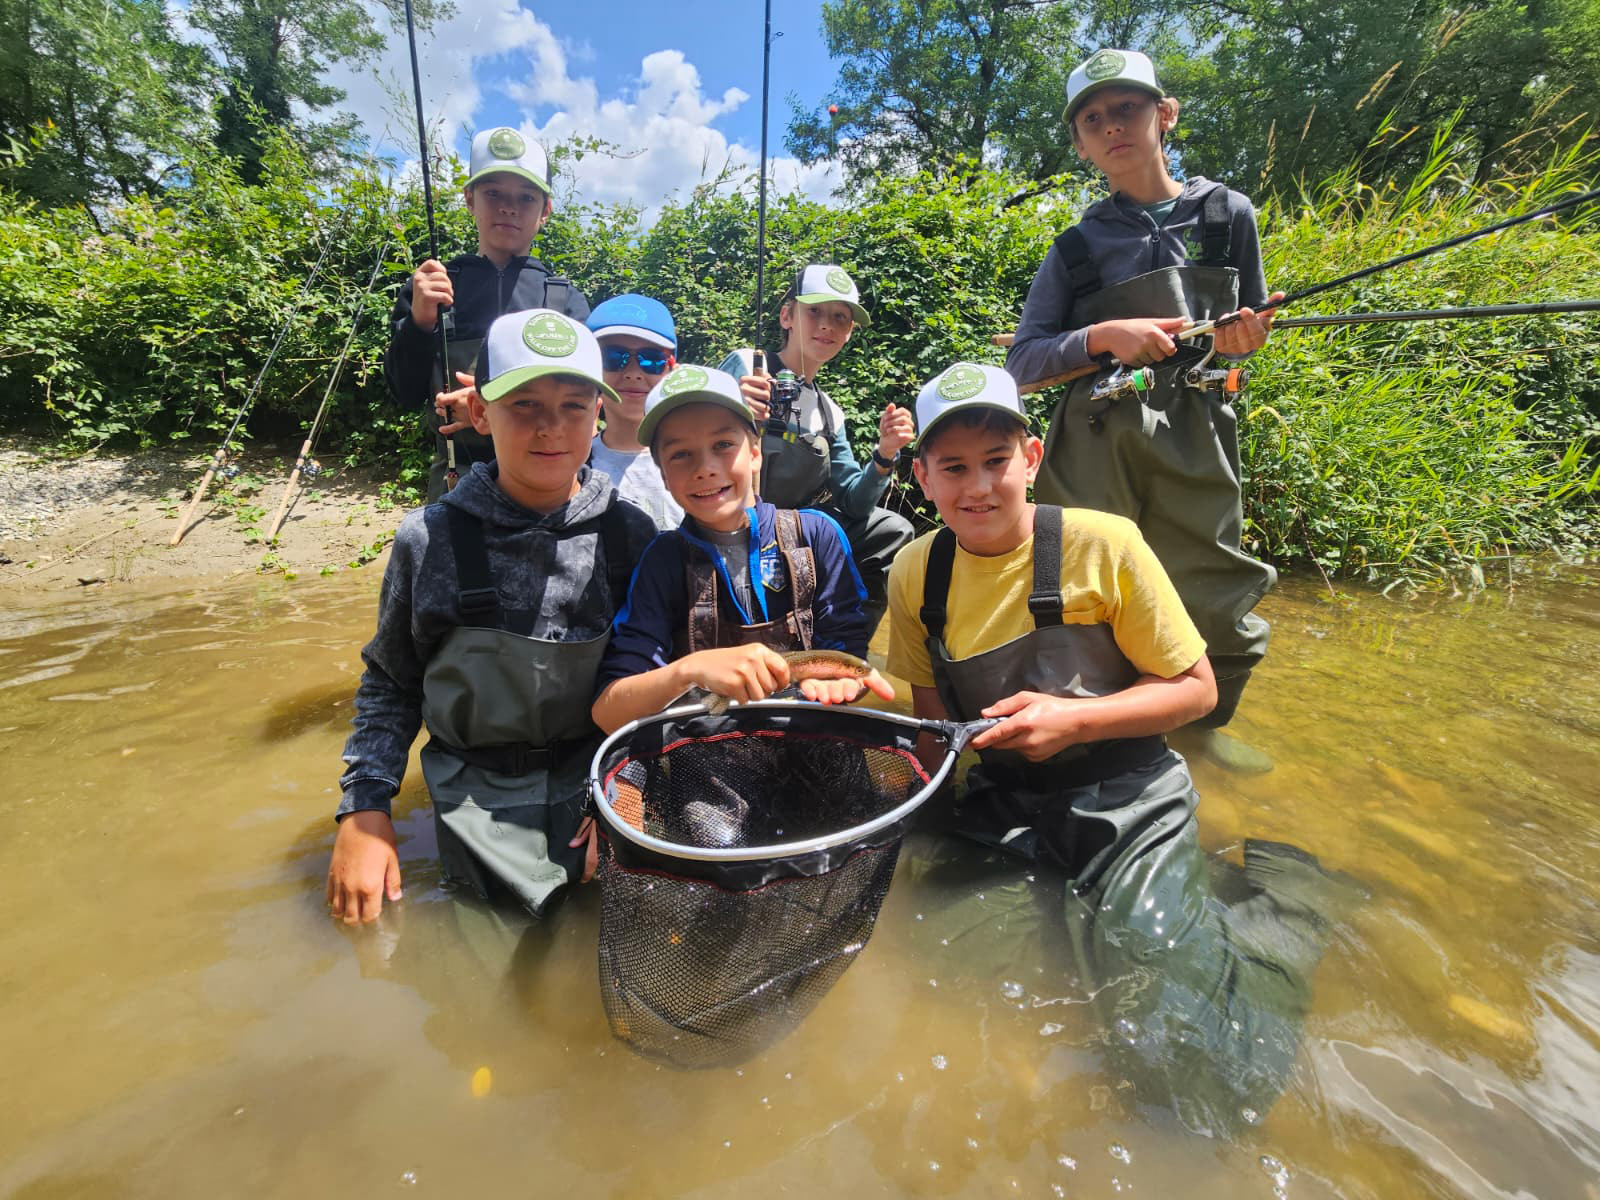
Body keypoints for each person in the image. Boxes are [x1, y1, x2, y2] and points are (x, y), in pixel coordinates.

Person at [887, 361, 1363, 1135]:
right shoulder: (916, 572)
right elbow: (931, 717)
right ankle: (1186, 888)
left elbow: (1196, 692)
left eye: (996, 462)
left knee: (1182, 1049)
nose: (978, 487)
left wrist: (1072, 721)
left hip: (1129, 790)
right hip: (1006, 800)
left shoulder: (1105, 544)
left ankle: (1293, 902)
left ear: (1032, 458)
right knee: (961, 974)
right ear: (923, 478)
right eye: (954, 468)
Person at [1004, 49, 1286, 772]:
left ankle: (1199, 727)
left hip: (1201, 432)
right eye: (1093, 119)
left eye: (1126, 108)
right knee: (1081, 587)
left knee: (1212, 584)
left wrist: (1242, 343)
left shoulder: (1230, 216)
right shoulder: (1073, 248)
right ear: (1080, 144)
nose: (1111, 127)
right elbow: (1024, 362)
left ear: (1165, 114)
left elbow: (1239, 347)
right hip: (1095, 438)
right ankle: (1092, 732)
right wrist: (1104, 337)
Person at [328, 309, 657, 923]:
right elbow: (391, 682)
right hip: (471, 802)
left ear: (600, 415)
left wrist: (628, 783)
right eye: (524, 404)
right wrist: (365, 810)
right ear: (480, 413)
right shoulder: (428, 539)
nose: (551, 428)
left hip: (601, 790)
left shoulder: (632, 535)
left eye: (574, 406)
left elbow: (651, 687)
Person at [592, 364, 892, 732]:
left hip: (812, 741)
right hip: (706, 763)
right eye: (681, 454)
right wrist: (688, 670)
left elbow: (848, 651)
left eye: (723, 445)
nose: (705, 467)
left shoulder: (817, 536)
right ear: (663, 476)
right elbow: (608, 712)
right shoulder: (661, 562)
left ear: (754, 453)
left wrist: (838, 683)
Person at [385, 127, 591, 501]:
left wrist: (487, 411)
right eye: (493, 193)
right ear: (469, 199)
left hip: (549, 478)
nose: (508, 207)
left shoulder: (566, 301)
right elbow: (404, 392)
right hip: (455, 480)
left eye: (525, 197)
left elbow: (583, 406)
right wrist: (419, 323)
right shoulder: (430, 289)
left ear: (545, 210)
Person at [733, 264, 916, 629]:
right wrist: (729, 403)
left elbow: (854, 502)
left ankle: (847, 642)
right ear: (787, 316)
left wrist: (885, 454)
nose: (827, 325)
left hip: (795, 531)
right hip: (734, 520)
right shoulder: (744, 366)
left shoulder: (831, 413)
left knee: (892, 529)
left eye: (840, 317)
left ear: (848, 334)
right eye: (814, 311)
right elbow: (691, 432)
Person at [585, 293, 684, 530]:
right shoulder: (570, 465)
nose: (633, 373)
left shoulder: (695, 462)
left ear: (672, 370)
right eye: (613, 358)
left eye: (651, 360)